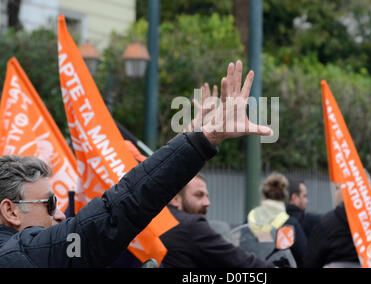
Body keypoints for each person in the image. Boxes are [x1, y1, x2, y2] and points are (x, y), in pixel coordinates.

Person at [0, 60, 273, 267]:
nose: (60, 215)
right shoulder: (17, 255)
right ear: (10, 211)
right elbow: (118, 209)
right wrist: (203, 138)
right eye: (49, 204)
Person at [159, 174, 274, 268]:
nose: (207, 202)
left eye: (206, 196)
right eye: (198, 195)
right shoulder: (191, 226)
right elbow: (237, 260)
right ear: (175, 199)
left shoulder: (156, 221)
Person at [247, 172, 307, 268]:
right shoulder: (289, 224)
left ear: (263, 195)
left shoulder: (249, 220)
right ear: (284, 196)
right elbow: (304, 256)